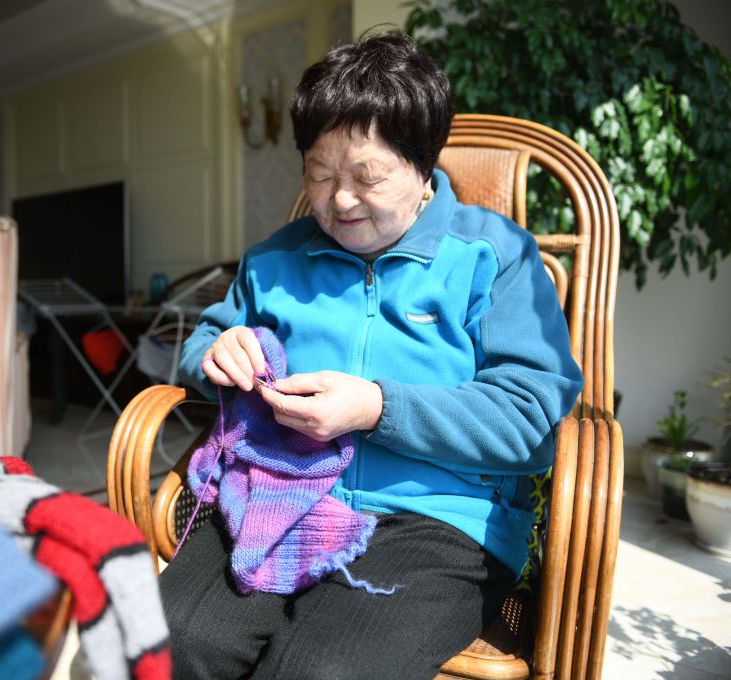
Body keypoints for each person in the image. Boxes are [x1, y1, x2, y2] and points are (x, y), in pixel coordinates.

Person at [160, 31, 583, 680]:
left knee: (318, 672)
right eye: (320, 174)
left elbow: (531, 418)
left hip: (438, 523)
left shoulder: (495, 257)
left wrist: (376, 408)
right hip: (278, 496)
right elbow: (202, 345)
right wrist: (218, 352)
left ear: (423, 165)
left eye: (367, 176)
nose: (339, 200)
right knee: (171, 639)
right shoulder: (275, 259)